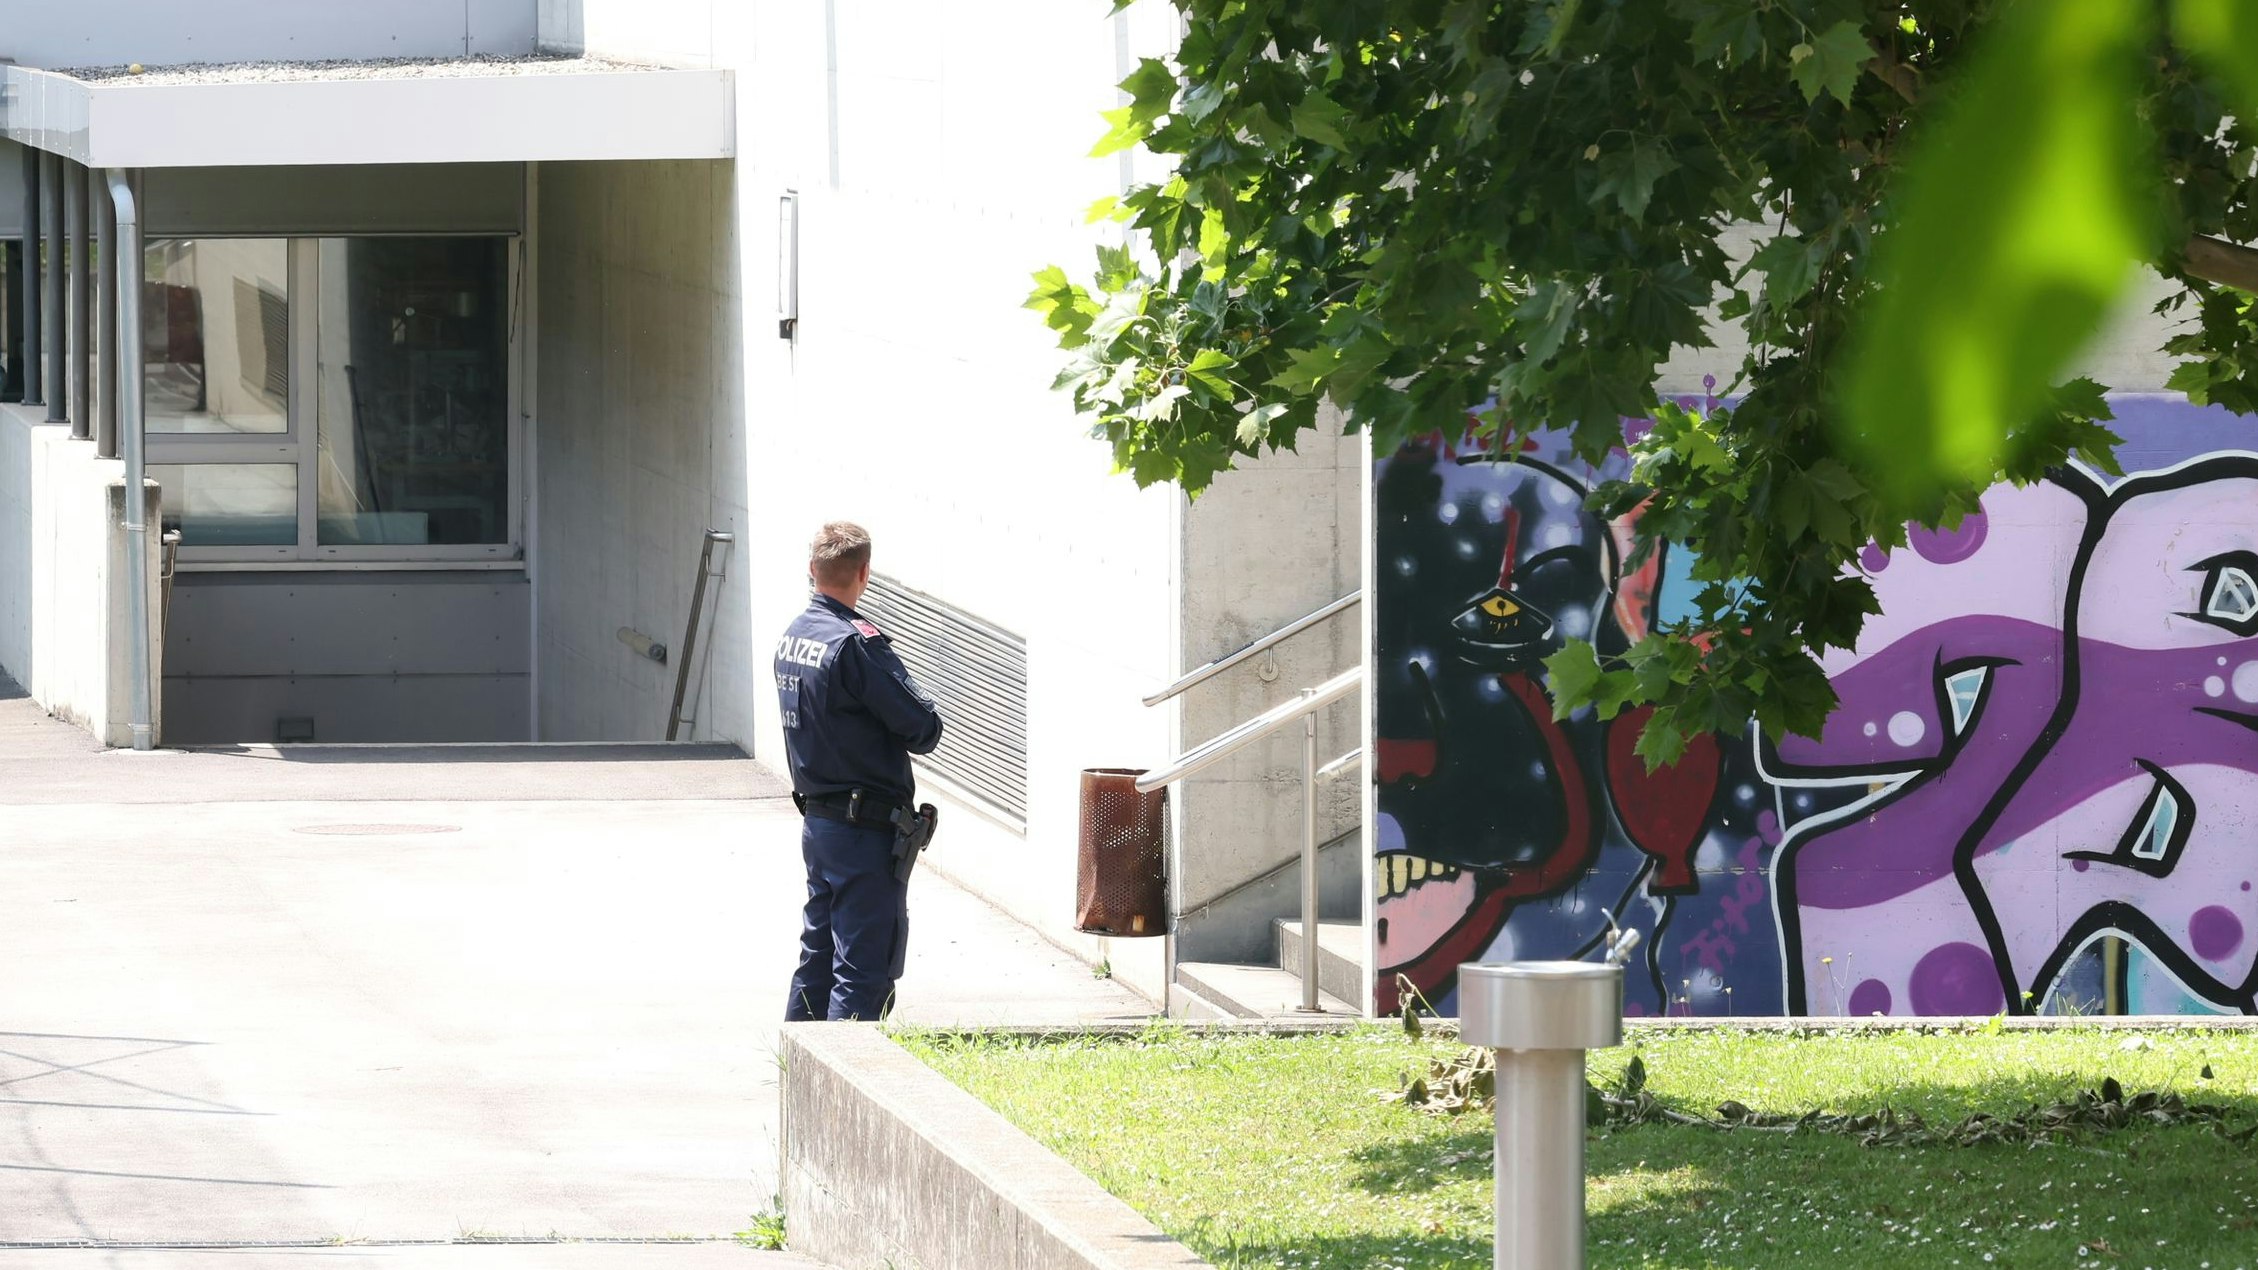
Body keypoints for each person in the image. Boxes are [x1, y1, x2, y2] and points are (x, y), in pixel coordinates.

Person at [774, 521, 944, 1021]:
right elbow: (923, 729)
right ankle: (842, 1081)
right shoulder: (855, 644)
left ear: (812, 570)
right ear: (864, 573)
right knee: (863, 970)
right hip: (863, 832)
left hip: (820, 823)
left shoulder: (795, 636)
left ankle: (798, 1077)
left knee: (818, 960)